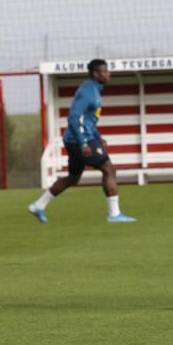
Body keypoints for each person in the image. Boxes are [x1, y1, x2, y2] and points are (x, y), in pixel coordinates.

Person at [27, 59, 136, 223]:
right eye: (105, 71)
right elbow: (73, 117)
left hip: (78, 138)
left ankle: (39, 205)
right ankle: (114, 214)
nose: (108, 74)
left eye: (108, 71)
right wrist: (83, 143)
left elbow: (87, 121)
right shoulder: (88, 91)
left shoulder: (94, 90)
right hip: (80, 140)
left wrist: (99, 138)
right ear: (95, 73)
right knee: (109, 170)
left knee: (73, 178)